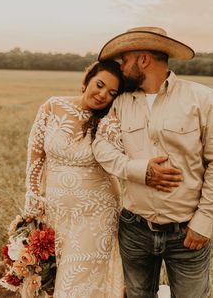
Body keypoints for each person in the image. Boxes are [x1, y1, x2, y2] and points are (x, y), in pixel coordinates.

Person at [92, 27, 213, 298]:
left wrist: (204, 221)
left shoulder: (202, 99)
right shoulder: (120, 102)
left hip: (188, 234)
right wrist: (139, 171)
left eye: (125, 61)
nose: (121, 68)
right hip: (134, 230)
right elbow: (101, 146)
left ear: (143, 59)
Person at [24, 60, 126, 298]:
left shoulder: (110, 120)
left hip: (96, 213)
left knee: (78, 283)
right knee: (52, 278)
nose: (102, 95)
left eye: (112, 93)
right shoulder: (52, 106)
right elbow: (36, 154)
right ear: (87, 79)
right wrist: (32, 193)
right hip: (55, 211)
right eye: (99, 85)